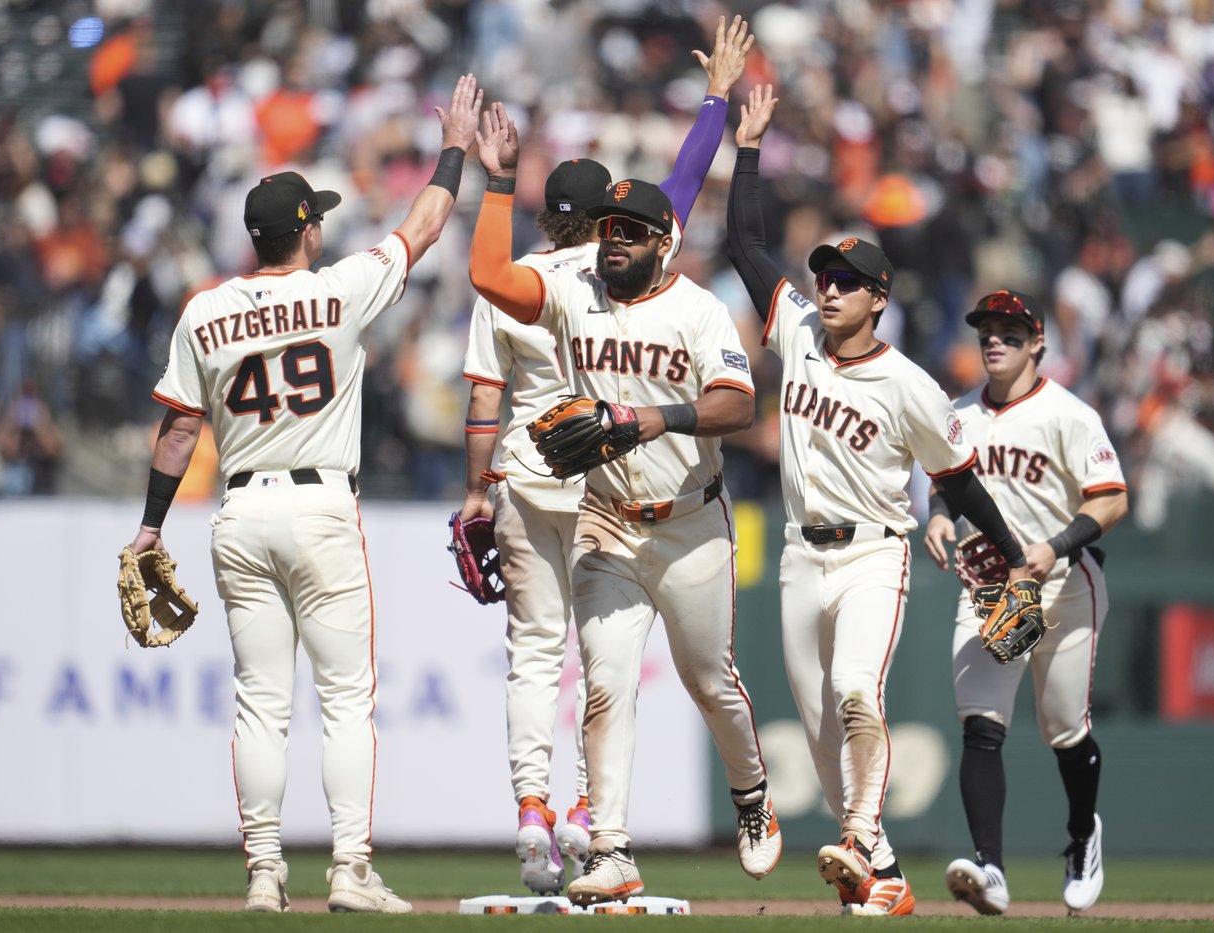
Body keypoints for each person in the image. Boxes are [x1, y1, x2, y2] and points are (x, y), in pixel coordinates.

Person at [122, 75, 484, 914]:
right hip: (320, 505)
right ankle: (351, 869)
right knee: (346, 697)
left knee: (260, 703)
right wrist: (455, 148)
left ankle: (262, 873)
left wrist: (148, 527)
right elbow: (424, 225)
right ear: (309, 231)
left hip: (239, 512)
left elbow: (177, 432)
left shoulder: (205, 312)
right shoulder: (337, 287)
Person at [724, 85, 1040, 917]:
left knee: (859, 694)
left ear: (879, 298)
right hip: (800, 552)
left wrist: (1009, 548)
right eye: (825, 273)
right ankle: (887, 873)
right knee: (825, 730)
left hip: (872, 552)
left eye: (848, 280)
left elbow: (959, 479)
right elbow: (742, 241)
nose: (827, 287)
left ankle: (860, 837)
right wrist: (748, 146)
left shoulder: (912, 386)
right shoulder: (794, 330)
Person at [456, 16, 754, 896]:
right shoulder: (625, 260)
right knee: (601, 666)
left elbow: (482, 397)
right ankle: (595, 818)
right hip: (600, 476)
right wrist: (715, 101)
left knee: (537, 654)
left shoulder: (543, 274)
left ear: (553, 216)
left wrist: (477, 491)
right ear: (609, 220)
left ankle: (535, 810)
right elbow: (687, 180)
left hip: (524, 467)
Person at [923, 289, 1129, 916]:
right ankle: (991, 870)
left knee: (1064, 730)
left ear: (1038, 343)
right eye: (987, 330)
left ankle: (1081, 835)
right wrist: (936, 517)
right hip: (997, 593)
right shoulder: (957, 412)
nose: (995, 340)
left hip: (1063, 587)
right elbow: (944, 485)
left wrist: (1055, 545)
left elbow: (1112, 499)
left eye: (1010, 332)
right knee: (981, 725)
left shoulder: (1068, 414)